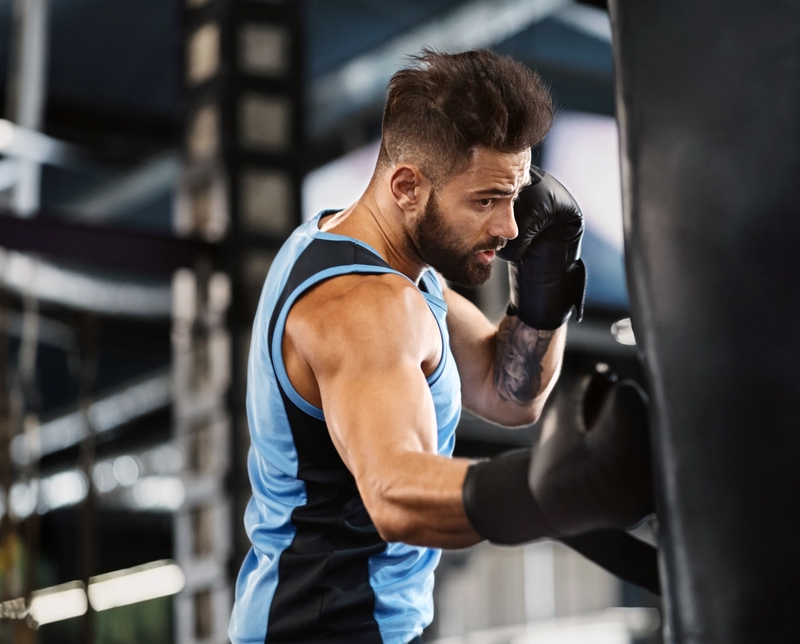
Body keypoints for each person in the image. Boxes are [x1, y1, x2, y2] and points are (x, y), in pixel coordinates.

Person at [228, 48, 645, 644]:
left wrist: (545, 289)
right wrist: (549, 488)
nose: (507, 228)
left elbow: (509, 394)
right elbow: (396, 498)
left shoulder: (400, 273)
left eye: (514, 195)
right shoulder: (363, 308)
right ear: (406, 186)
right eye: (485, 200)